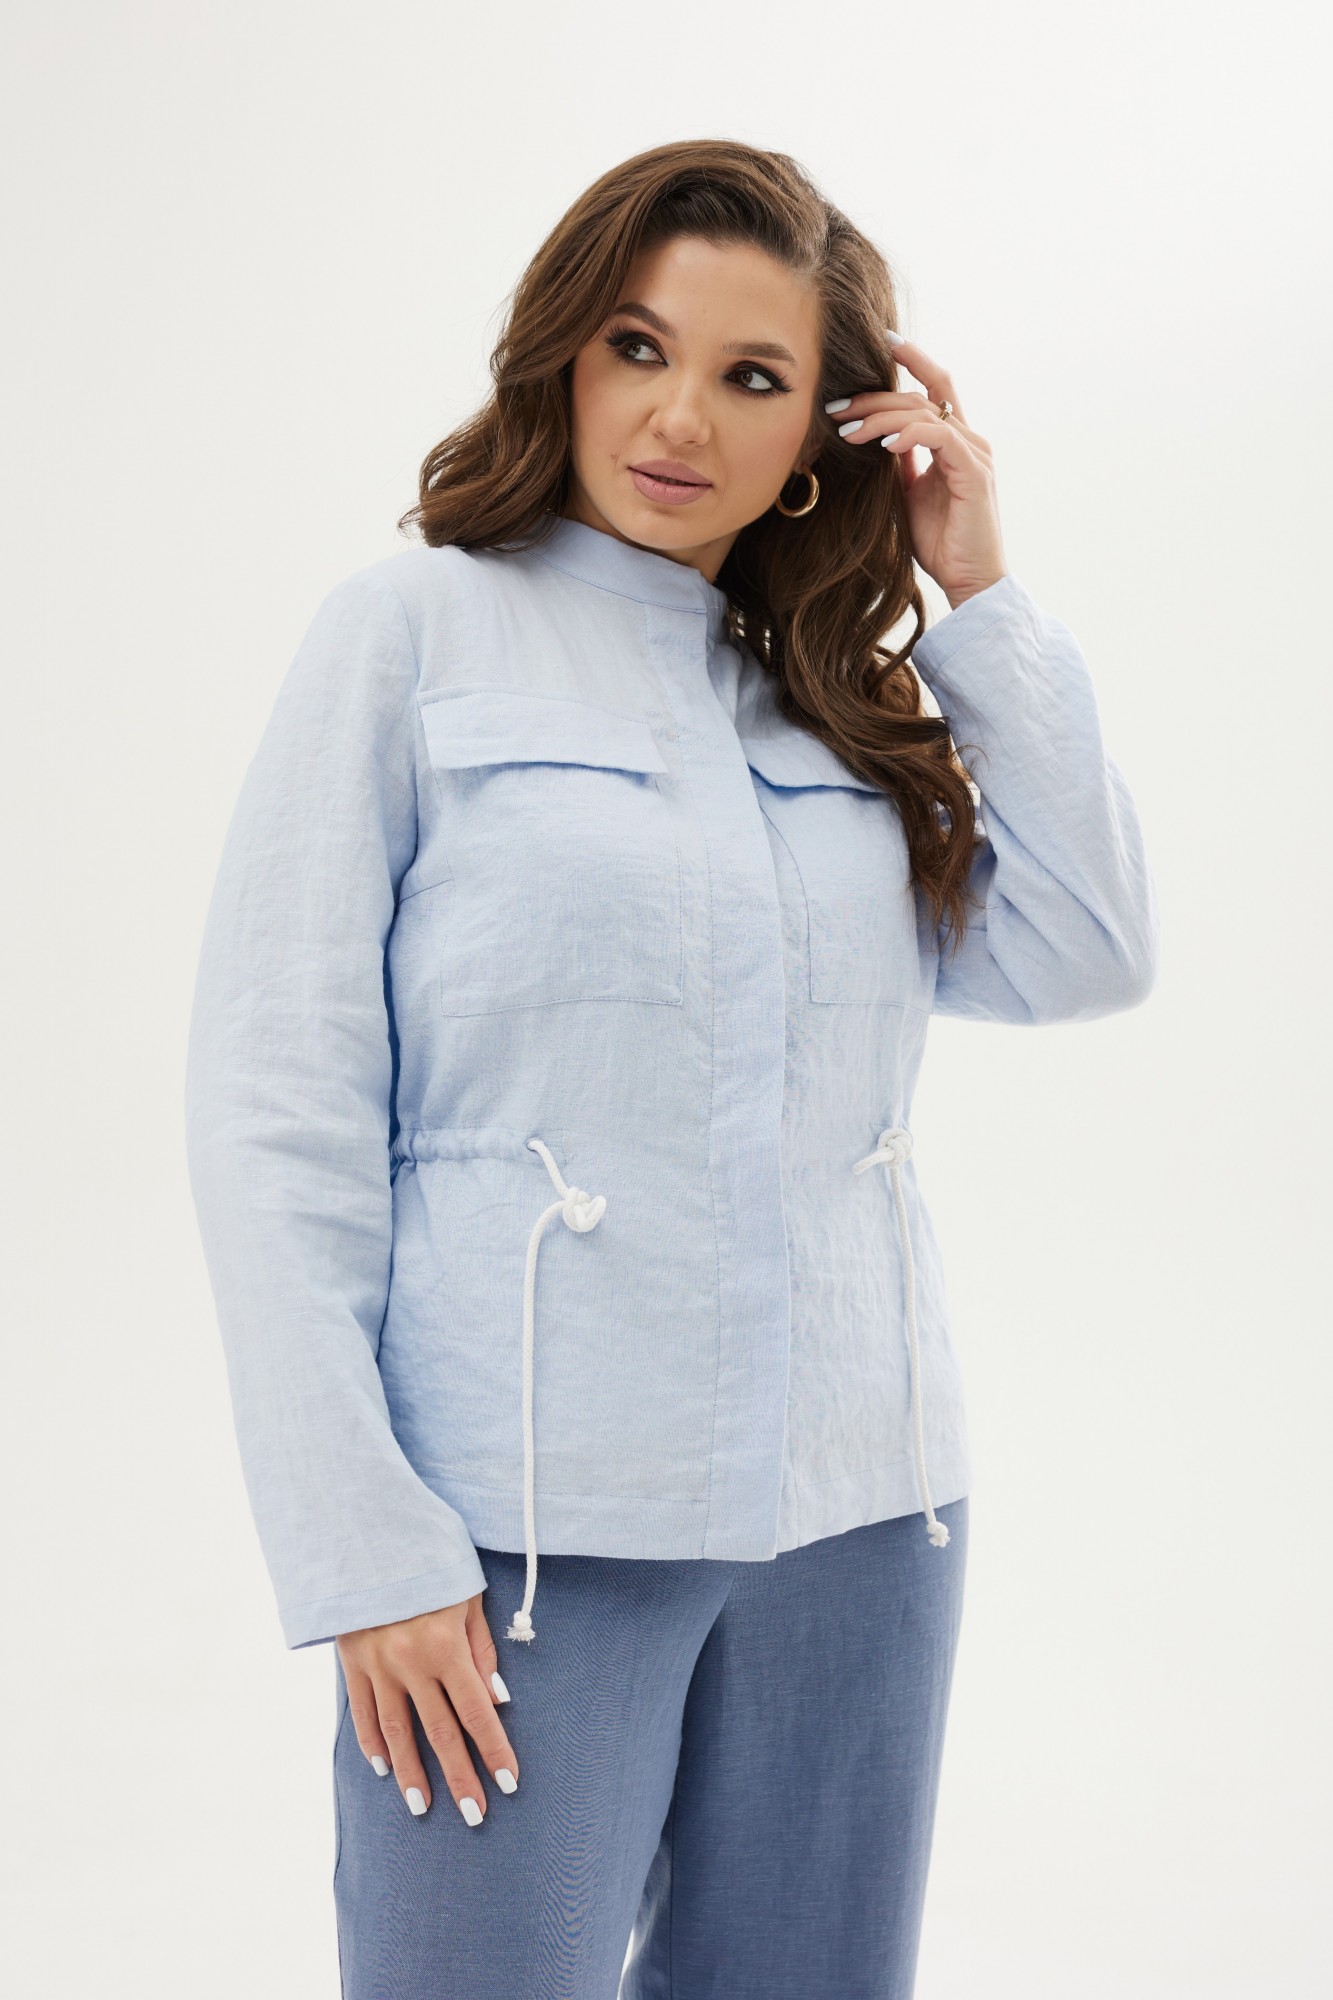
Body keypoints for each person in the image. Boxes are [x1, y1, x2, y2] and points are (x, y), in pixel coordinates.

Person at [183, 138, 1159, 1999]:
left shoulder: (825, 696)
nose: (676, 417)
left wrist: (982, 600)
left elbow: (1087, 950)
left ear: (820, 438)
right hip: (522, 1530)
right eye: (636, 346)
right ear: (563, 350)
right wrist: (364, 1549)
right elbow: (274, 1111)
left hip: (860, 1504)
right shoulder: (411, 633)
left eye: (750, 375)